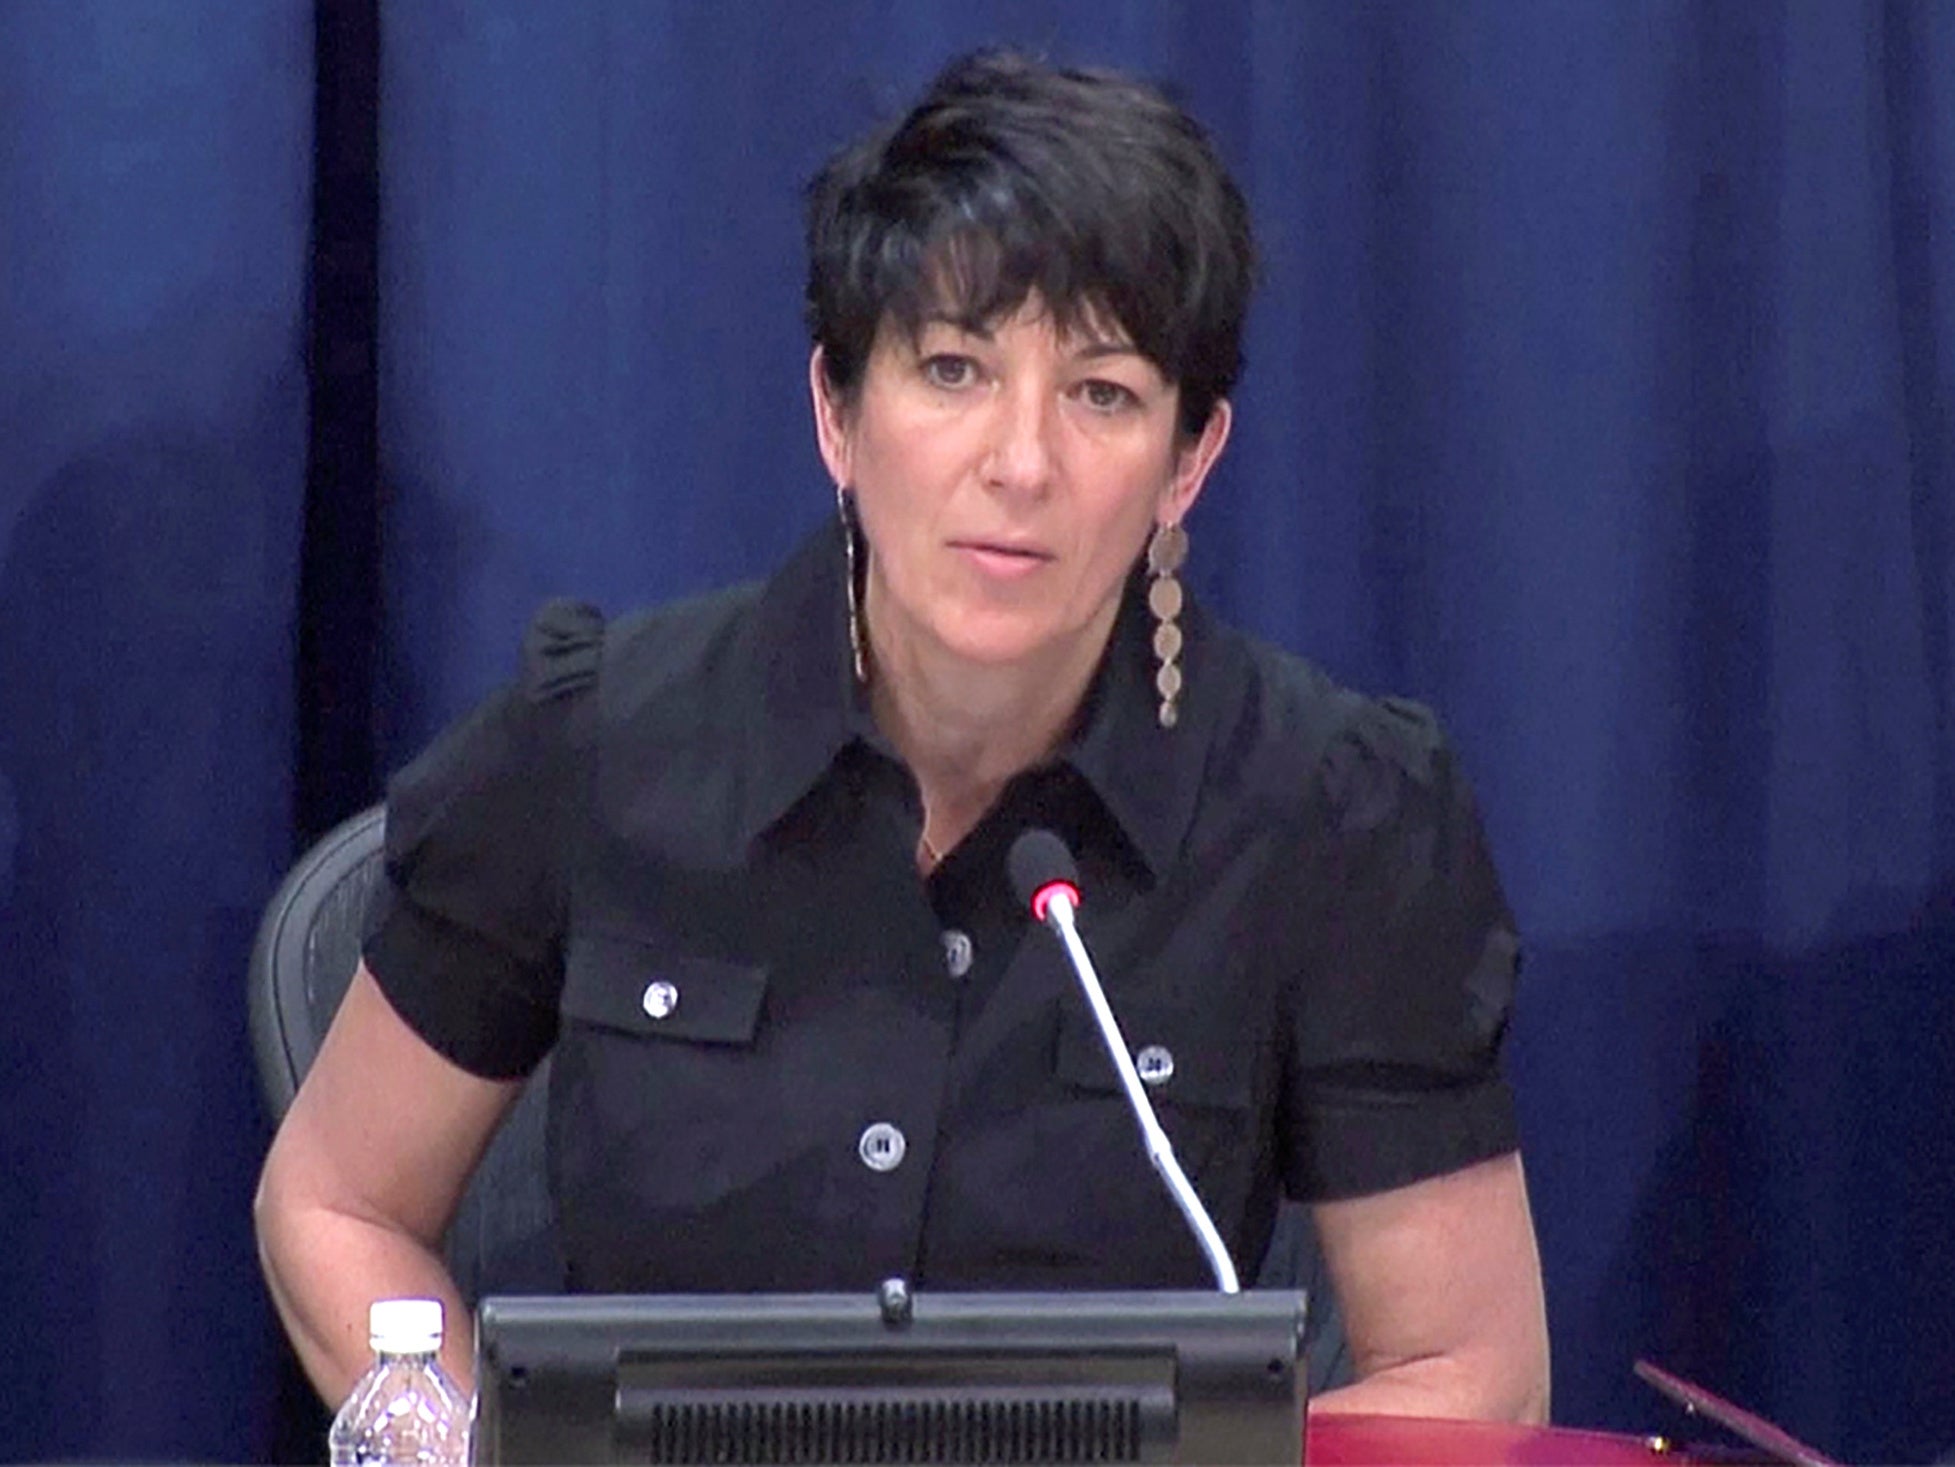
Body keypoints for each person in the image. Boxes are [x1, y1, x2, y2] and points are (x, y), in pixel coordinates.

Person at [254, 49, 1550, 1423]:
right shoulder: (598, 745)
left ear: (1191, 459)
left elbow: (1464, 1375)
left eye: (1103, 393)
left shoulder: (1331, 809)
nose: (1020, 462)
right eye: (953, 369)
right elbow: (338, 1202)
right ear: (838, 413)